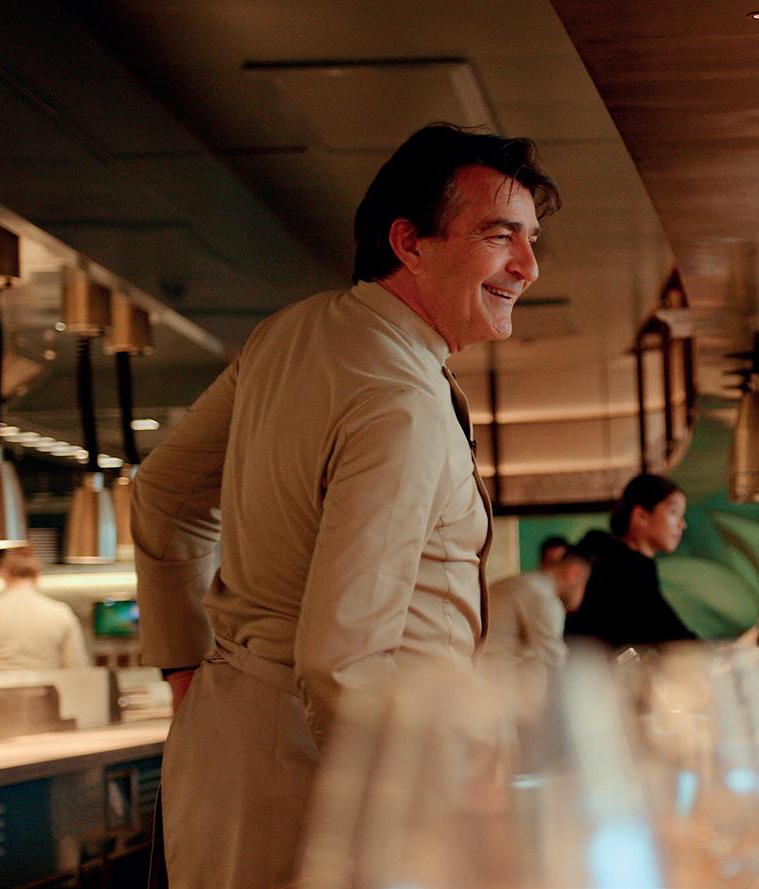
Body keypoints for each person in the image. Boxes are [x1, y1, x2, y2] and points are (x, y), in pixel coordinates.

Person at [131, 123, 558, 889]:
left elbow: (164, 491)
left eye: (529, 240)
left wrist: (185, 665)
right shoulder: (401, 400)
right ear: (409, 241)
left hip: (228, 752)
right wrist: (419, 820)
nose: (527, 266)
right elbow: (345, 662)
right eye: (500, 236)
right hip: (326, 790)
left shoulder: (289, 333)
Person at [563, 473, 695, 648]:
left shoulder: (615, 558)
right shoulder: (625, 568)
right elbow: (666, 630)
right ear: (641, 516)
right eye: (674, 512)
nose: (682, 524)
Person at [0, 546, 90, 673]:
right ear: (37, 575)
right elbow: (78, 670)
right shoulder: (61, 613)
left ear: (4, 574)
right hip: (47, 693)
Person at [481, 544, 592, 671]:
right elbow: (556, 661)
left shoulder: (526, 583)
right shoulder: (542, 596)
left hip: (483, 670)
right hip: (492, 675)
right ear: (574, 573)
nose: (582, 594)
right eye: (584, 585)